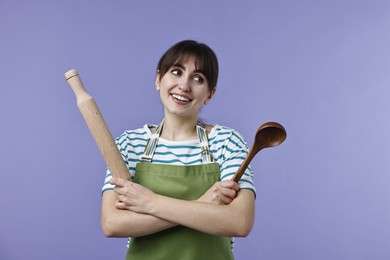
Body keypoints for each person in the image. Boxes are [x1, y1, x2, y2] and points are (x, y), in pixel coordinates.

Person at [101, 40, 255, 260]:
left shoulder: (227, 142)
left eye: (198, 78)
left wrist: (151, 203)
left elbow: (239, 222)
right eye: (176, 72)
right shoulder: (129, 144)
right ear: (158, 79)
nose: (184, 85)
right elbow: (112, 223)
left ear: (210, 94)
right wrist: (202, 204)